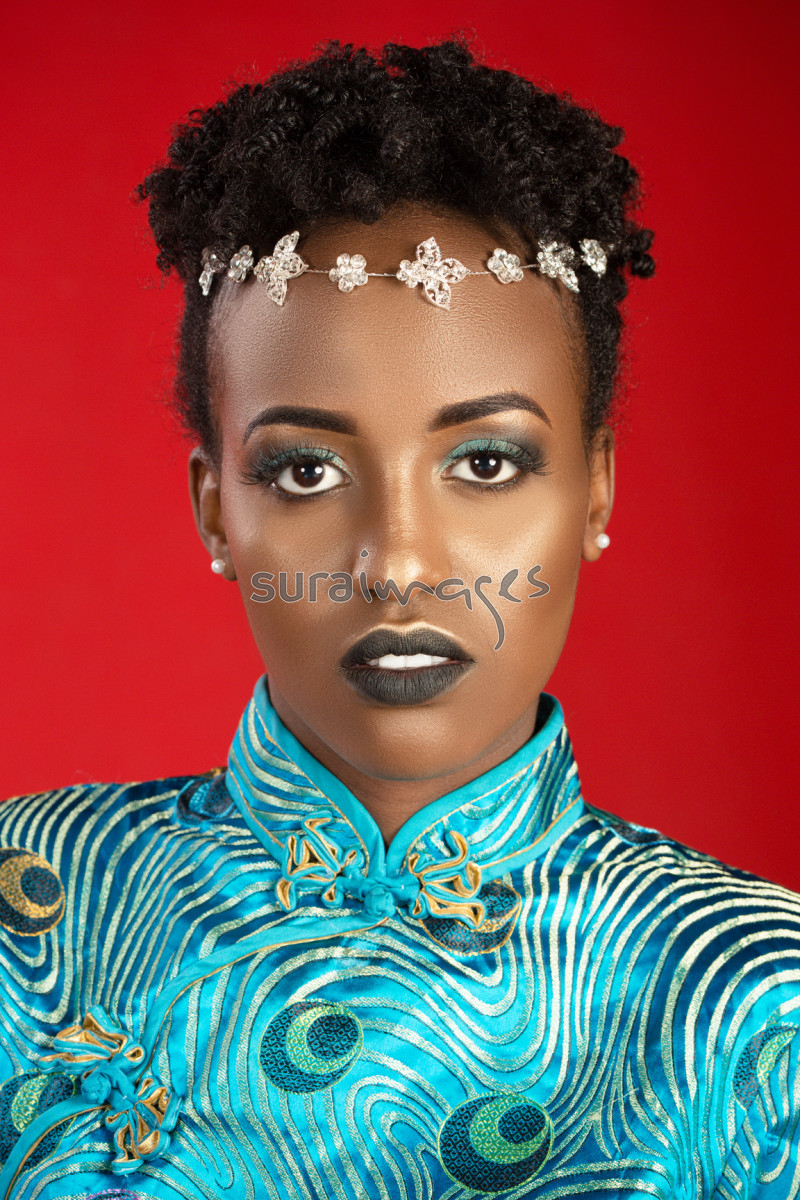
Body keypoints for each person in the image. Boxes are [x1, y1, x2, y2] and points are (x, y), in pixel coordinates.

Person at [0, 34, 798, 1200]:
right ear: (215, 510)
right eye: (305, 472)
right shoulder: (34, 908)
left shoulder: (752, 999)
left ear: (593, 491)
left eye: (484, 462)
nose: (397, 566)